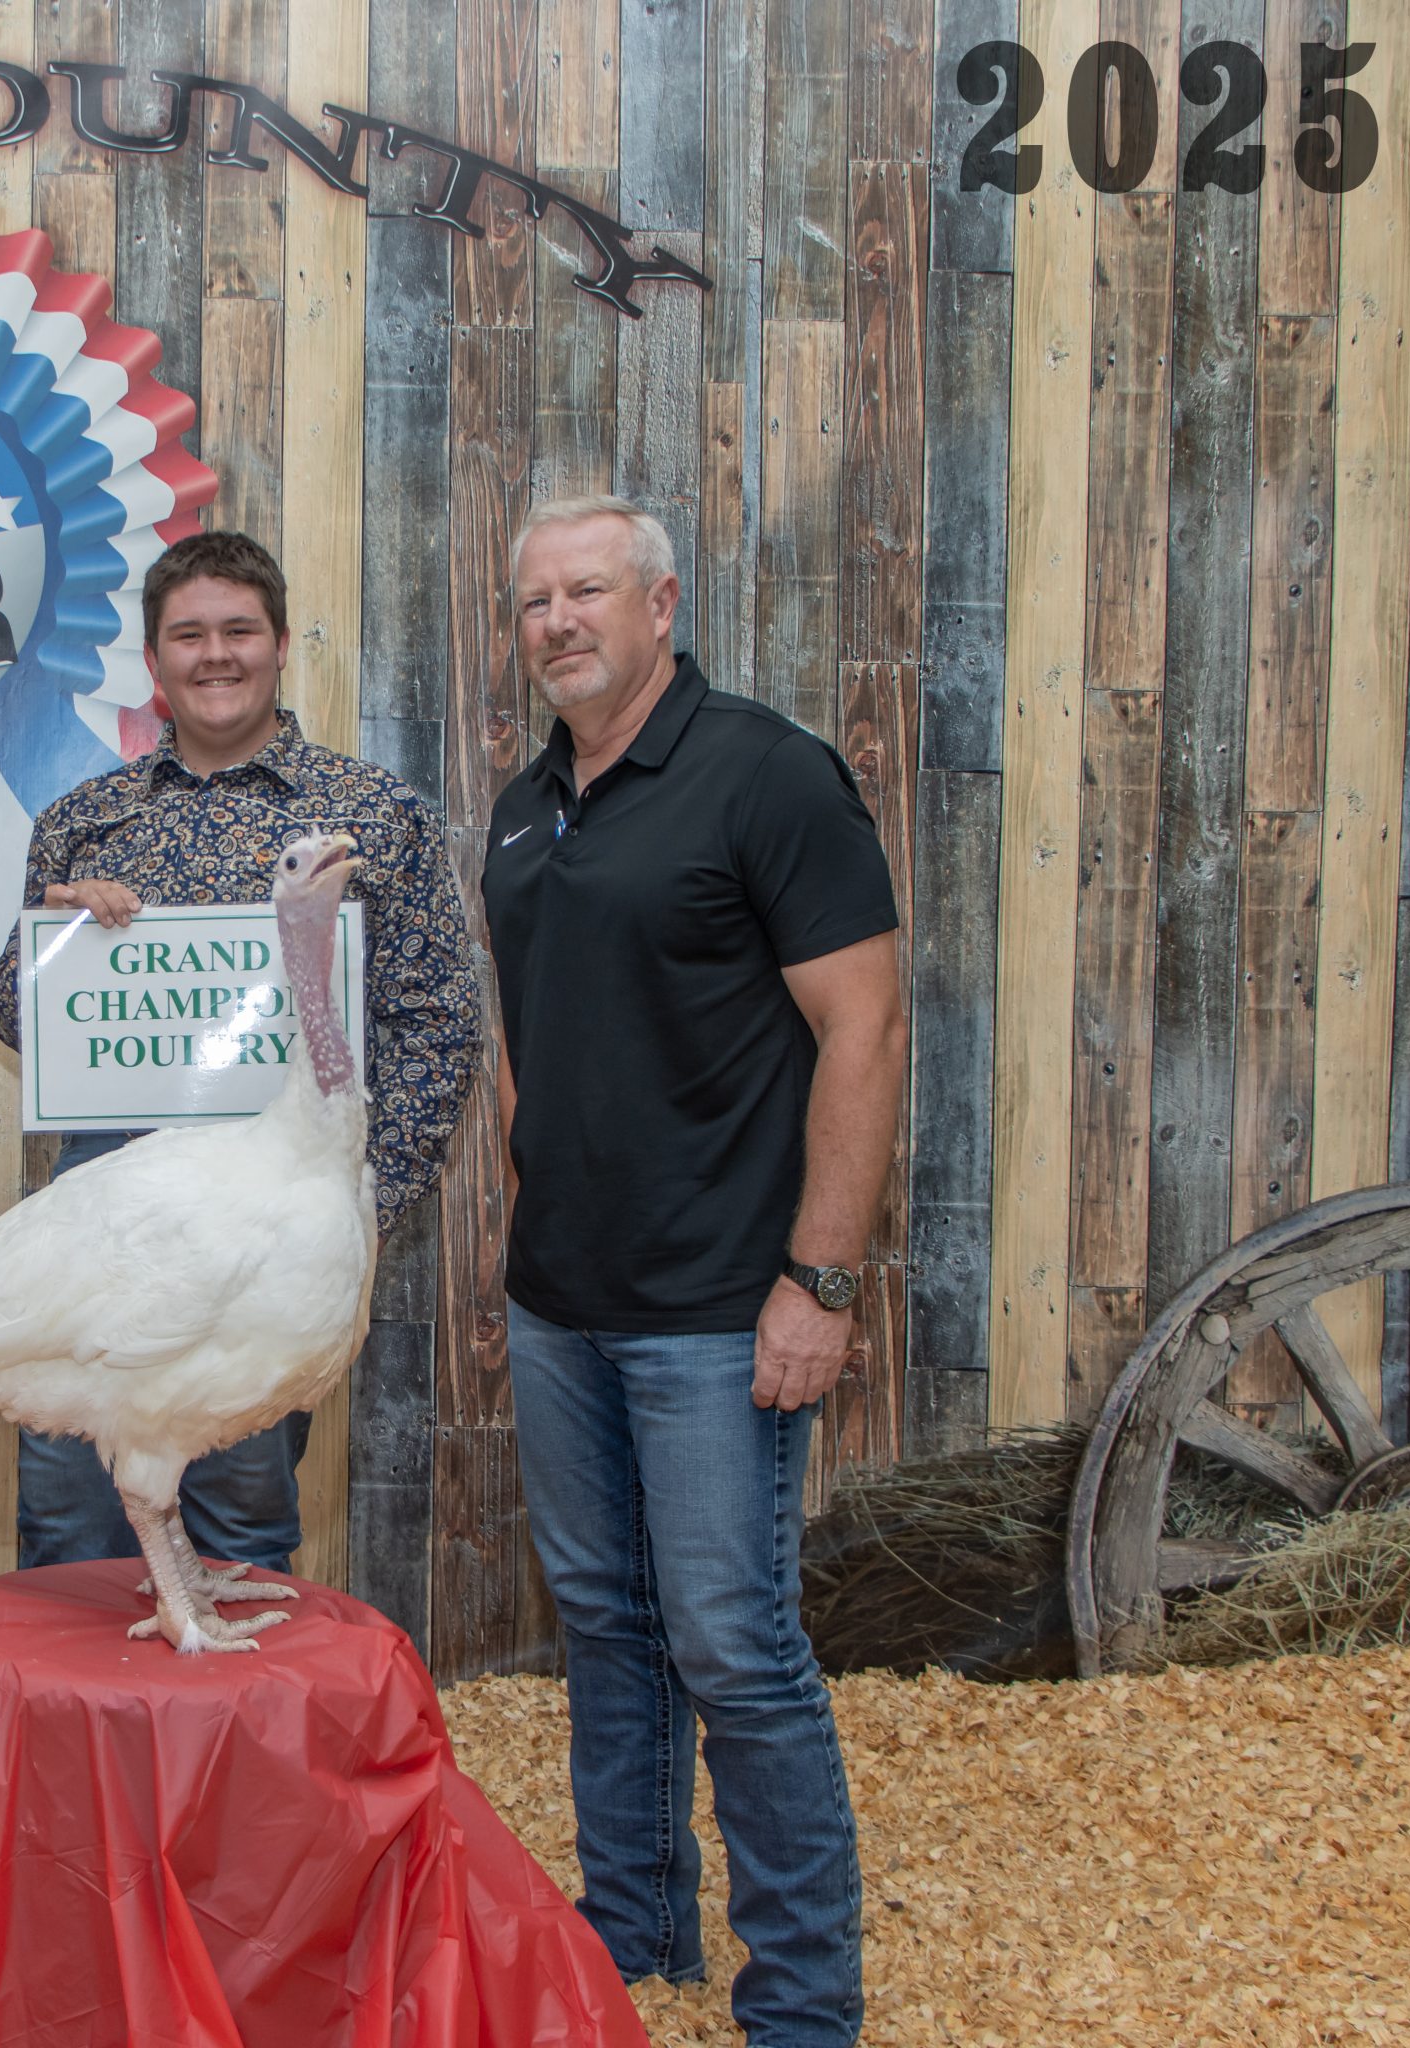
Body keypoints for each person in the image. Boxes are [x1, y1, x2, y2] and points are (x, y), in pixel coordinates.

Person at [482, 497, 902, 2048]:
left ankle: (801, 1999)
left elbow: (865, 1028)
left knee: (735, 1641)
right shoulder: (526, 804)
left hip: (724, 1306)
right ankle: (636, 1934)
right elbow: (529, 1037)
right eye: (536, 600)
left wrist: (822, 1281)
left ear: (662, 605)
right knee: (606, 1622)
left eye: (588, 590)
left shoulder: (768, 775)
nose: (559, 621)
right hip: (561, 1305)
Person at [0, 529, 479, 1573]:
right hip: (110, 1246)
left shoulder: (371, 816)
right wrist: (57, 945)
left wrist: (349, 1206)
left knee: (243, 1532)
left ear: (281, 643)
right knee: (71, 1531)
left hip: (268, 1245)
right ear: (153, 659)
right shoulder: (85, 821)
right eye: (189, 635)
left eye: (240, 630)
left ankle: (230, 1682)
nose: (216, 654)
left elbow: (434, 1023)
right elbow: (13, 1016)